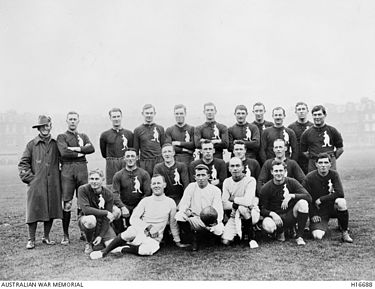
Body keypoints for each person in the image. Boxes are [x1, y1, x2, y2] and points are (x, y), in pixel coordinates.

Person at [90, 174, 186, 259]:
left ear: (164, 185)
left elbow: (173, 224)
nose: (156, 186)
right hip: (140, 230)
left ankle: (123, 248)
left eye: (159, 183)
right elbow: (133, 219)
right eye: (154, 184)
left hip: (155, 237)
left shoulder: (170, 202)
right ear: (151, 186)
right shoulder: (146, 201)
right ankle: (104, 251)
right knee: (130, 232)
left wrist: (177, 241)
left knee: (147, 251)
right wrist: (148, 227)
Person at [18, 115, 63, 249]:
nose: (45, 128)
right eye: (41, 126)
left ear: (51, 126)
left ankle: (46, 237)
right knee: (33, 210)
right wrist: (31, 179)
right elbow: (23, 163)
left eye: (47, 125)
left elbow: (64, 158)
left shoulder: (56, 144)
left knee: (51, 209)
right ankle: (31, 239)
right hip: (36, 184)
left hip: (53, 183)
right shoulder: (32, 144)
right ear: (38, 128)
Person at [57, 111, 95, 245]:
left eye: (75, 119)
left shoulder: (83, 135)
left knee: (82, 201)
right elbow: (63, 152)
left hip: (82, 169)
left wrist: (74, 149)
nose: (72, 121)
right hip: (67, 170)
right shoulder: (61, 136)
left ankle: (83, 232)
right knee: (67, 203)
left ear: (78, 121)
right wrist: (81, 151)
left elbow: (92, 149)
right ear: (66, 121)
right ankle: (65, 234)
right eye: (70, 119)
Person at [302, 153, 353, 243]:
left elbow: (340, 193)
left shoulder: (334, 174)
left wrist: (322, 199)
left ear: (330, 164)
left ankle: (345, 232)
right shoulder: (309, 177)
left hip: (332, 207)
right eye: (320, 163)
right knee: (317, 236)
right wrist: (313, 214)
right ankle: (318, 226)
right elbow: (305, 197)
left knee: (341, 202)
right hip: (319, 211)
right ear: (316, 164)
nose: (323, 165)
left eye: (326, 162)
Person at [259, 160, 312, 246]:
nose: (279, 173)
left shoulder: (292, 182)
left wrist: (291, 196)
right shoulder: (266, 188)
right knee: (268, 226)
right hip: (276, 217)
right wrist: (272, 214)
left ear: (285, 171)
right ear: (272, 172)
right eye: (276, 171)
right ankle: (279, 231)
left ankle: (299, 236)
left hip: (290, 215)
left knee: (303, 203)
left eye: (281, 171)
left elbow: (308, 197)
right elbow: (262, 209)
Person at [176, 164, 224, 251]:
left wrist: (215, 222)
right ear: (195, 177)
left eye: (203, 175)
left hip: (210, 221)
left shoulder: (215, 190)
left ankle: (208, 237)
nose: (201, 178)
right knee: (179, 216)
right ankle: (193, 238)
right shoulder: (191, 187)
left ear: (208, 176)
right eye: (198, 175)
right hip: (195, 219)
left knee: (218, 230)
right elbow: (183, 204)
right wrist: (186, 211)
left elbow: (218, 209)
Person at [77, 169, 121, 254]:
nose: (94, 181)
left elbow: (106, 218)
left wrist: (100, 236)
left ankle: (103, 236)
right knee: (91, 220)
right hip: (86, 219)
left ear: (102, 180)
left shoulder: (108, 193)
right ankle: (88, 242)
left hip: (102, 222)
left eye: (97, 179)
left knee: (112, 248)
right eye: (91, 179)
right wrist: (106, 212)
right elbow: (86, 210)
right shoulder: (83, 189)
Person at [221, 157, 260, 248]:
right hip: (234, 214)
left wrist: (233, 198)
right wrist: (235, 205)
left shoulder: (250, 180)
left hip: (251, 212)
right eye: (232, 166)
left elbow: (248, 201)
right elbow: (223, 203)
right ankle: (241, 232)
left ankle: (251, 237)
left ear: (242, 168)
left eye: (238, 166)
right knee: (225, 241)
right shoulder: (227, 182)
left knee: (242, 208)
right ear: (229, 169)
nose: (235, 168)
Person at [112, 148, 151, 228]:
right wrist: (122, 206)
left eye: (132, 156)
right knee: (115, 212)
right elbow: (115, 193)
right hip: (125, 205)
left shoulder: (144, 174)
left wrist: (139, 207)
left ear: (137, 158)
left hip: (140, 205)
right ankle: (119, 233)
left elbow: (148, 193)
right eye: (128, 156)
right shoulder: (118, 175)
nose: (130, 159)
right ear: (124, 158)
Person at [301, 105, 344, 172]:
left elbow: (340, 149)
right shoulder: (306, 133)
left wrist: (331, 158)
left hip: (329, 163)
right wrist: (314, 158)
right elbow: (304, 151)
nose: (317, 117)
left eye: (319, 114)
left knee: (330, 181)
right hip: (313, 164)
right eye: (315, 115)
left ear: (325, 115)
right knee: (313, 181)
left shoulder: (332, 130)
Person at [99, 108, 133, 187]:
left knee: (127, 185)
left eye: (118, 116)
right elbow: (104, 153)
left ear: (121, 117)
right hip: (111, 163)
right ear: (110, 118)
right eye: (114, 117)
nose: (116, 119)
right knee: (112, 186)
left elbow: (132, 150)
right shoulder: (105, 135)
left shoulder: (129, 134)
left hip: (125, 162)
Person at [133, 104, 165, 176]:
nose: (149, 115)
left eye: (151, 113)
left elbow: (164, 147)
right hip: (145, 162)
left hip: (159, 161)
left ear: (154, 114)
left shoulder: (160, 128)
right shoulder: (137, 130)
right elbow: (136, 151)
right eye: (147, 113)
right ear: (142, 114)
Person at [288, 102, 313, 174]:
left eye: (303, 109)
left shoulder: (312, 126)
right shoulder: (291, 128)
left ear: (307, 111)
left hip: (310, 160)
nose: (301, 111)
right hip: (297, 160)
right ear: (295, 112)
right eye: (299, 109)